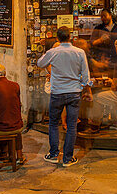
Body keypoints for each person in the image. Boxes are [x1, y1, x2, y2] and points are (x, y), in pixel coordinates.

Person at [37, 27, 92, 166]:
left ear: (57, 38)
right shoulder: (79, 52)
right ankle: (68, 158)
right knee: (72, 126)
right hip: (74, 93)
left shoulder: (53, 52)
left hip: (58, 93)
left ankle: (54, 154)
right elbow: (86, 76)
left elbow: (40, 63)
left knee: (54, 124)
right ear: (71, 37)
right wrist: (87, 89)